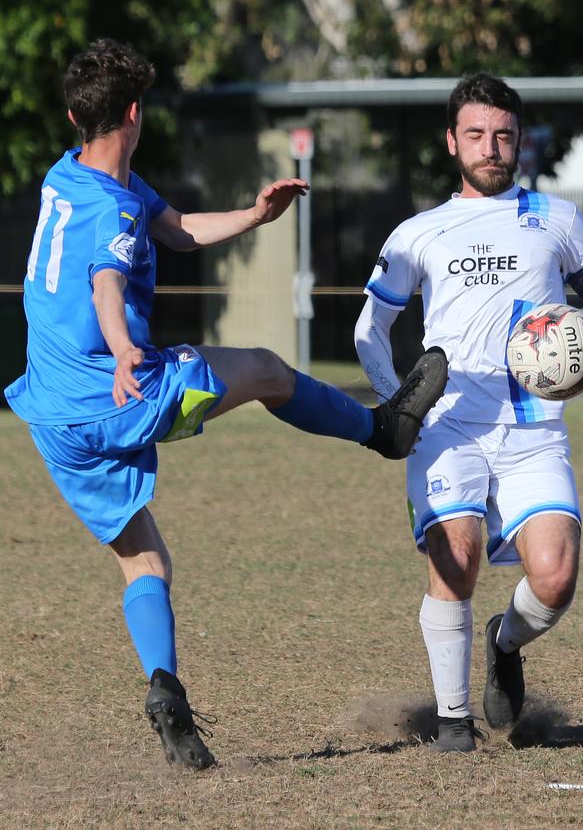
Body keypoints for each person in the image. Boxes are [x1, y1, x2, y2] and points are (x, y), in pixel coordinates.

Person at [4, 38, 449, 771]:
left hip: (53, 416)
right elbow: (107, 283)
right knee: (268, 372)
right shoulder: (111, 209)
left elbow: (172, 227)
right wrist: (120, 347)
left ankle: (167, 694)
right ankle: (384, 429)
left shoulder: (68, 175)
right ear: (137, 114)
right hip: (124, 393)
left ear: (75, 114)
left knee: (144, 557)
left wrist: (250, 215)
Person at [354, 72, 583, 753]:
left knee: (557, 577)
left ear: (520, 143)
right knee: (456, 558)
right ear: (453, 142)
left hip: (533, 429)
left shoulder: (556, 217)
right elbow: (371, 328)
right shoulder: (419, 232)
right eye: (477, 135)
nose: (491, 148)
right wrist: (397, 400)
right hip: (446, 424)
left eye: (503, 136)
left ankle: (504, 641)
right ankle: (454, 724)